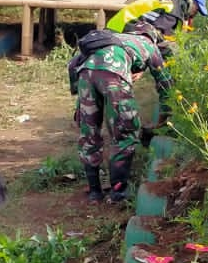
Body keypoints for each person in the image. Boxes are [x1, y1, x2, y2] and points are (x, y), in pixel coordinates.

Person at [68, 26, 172, 203]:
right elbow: (165, 84)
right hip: (113, 75)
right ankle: (118, 192)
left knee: (89, 135)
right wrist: (165, 116)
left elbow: (73, 64)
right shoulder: (148, 45)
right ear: (153, 37)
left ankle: (94, 192)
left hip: (85, 74)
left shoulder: (114, 39)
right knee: (126, 132)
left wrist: (80, 103)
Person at [105, 0, 208, 40]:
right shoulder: (172, 12)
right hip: (120, 35)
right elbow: (154, 37)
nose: (193, 16)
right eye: (196, 10)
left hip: (112, 27)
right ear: (190, 2)